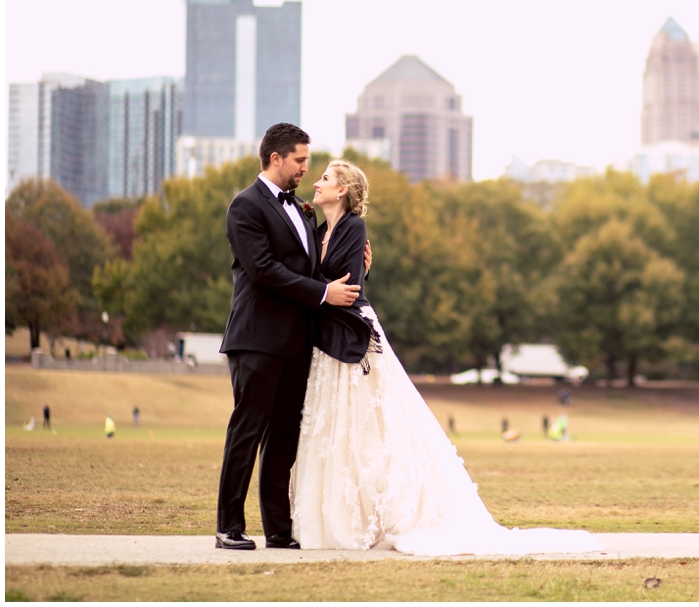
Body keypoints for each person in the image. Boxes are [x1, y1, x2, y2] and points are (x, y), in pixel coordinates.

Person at [291, 160, 600, 555]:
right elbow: (331, 280)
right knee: (335, 427)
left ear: (344, 190)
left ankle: (382, 514)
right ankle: (340, 515)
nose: (316, 183)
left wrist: (334, 283)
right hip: (326, 338)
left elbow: (346, 286)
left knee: (373, 422)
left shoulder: (353, 226)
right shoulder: (319, 230)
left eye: (326, 179)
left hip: (353, 334)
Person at [214, 124, 370, 553]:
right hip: (257, 338)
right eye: (300, 160)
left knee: (284, 437)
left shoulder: (304, 211)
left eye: (307, 160)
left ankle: (278, 530)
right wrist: (323, 293)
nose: (306, 167)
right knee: (247, 431)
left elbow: (314, 269)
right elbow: (263, 270)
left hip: (299, 342)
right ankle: (228, 526)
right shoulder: (244, 206)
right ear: (275, 158)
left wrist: (355, 274)